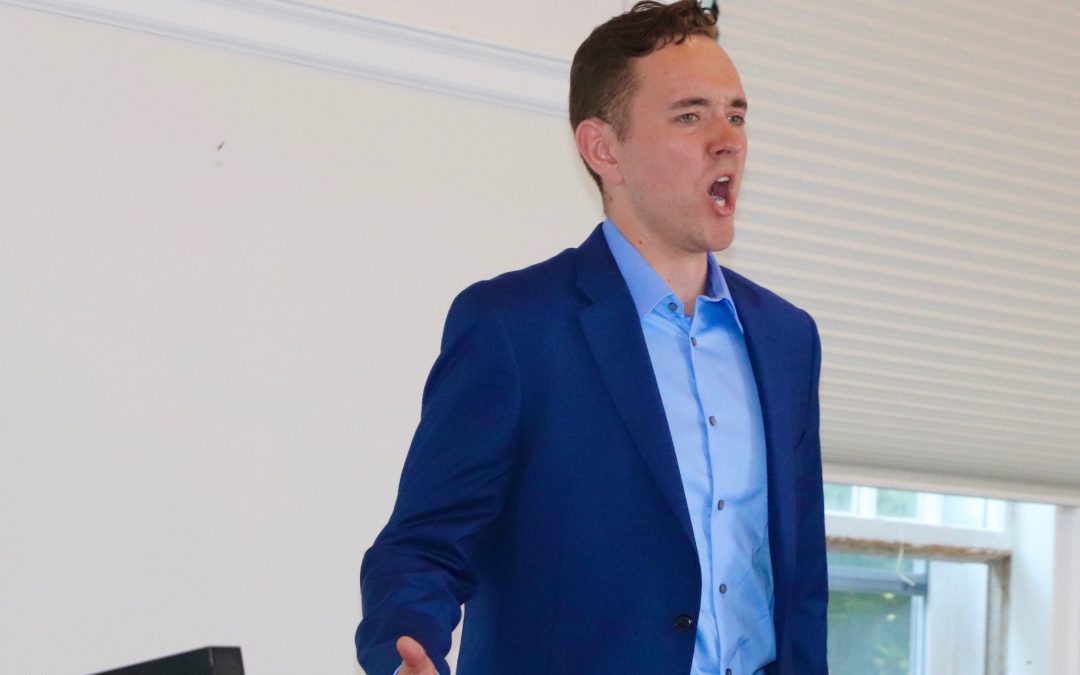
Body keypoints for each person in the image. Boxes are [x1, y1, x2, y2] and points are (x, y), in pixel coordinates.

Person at [355, 1, 828, 673]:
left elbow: (800, 584)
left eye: (737, 114)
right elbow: (424, 546)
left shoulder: (788, 339)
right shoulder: (514, 327)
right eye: (690, 115)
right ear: (604, 149)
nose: (728, 140)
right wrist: (407, 649)